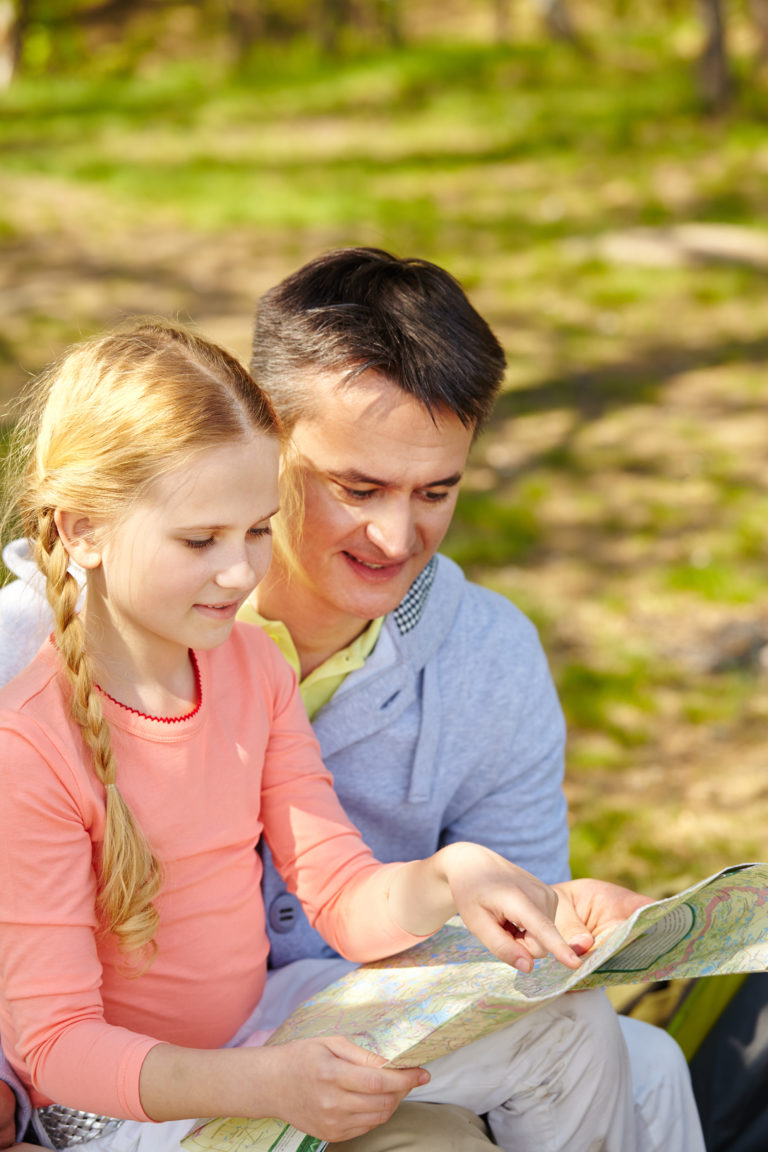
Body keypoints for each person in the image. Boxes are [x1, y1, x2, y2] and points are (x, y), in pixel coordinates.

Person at [0, 253, 705, 1152]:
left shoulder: (249, 668)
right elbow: (54, 1039)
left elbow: (338, 885)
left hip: (262, 1022)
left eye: (254, 532)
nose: (237, 573)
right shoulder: (28, 724)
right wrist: (266, 1083)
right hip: (131, 1099)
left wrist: (461, 878)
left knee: (583, 1032)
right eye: (202, 541)